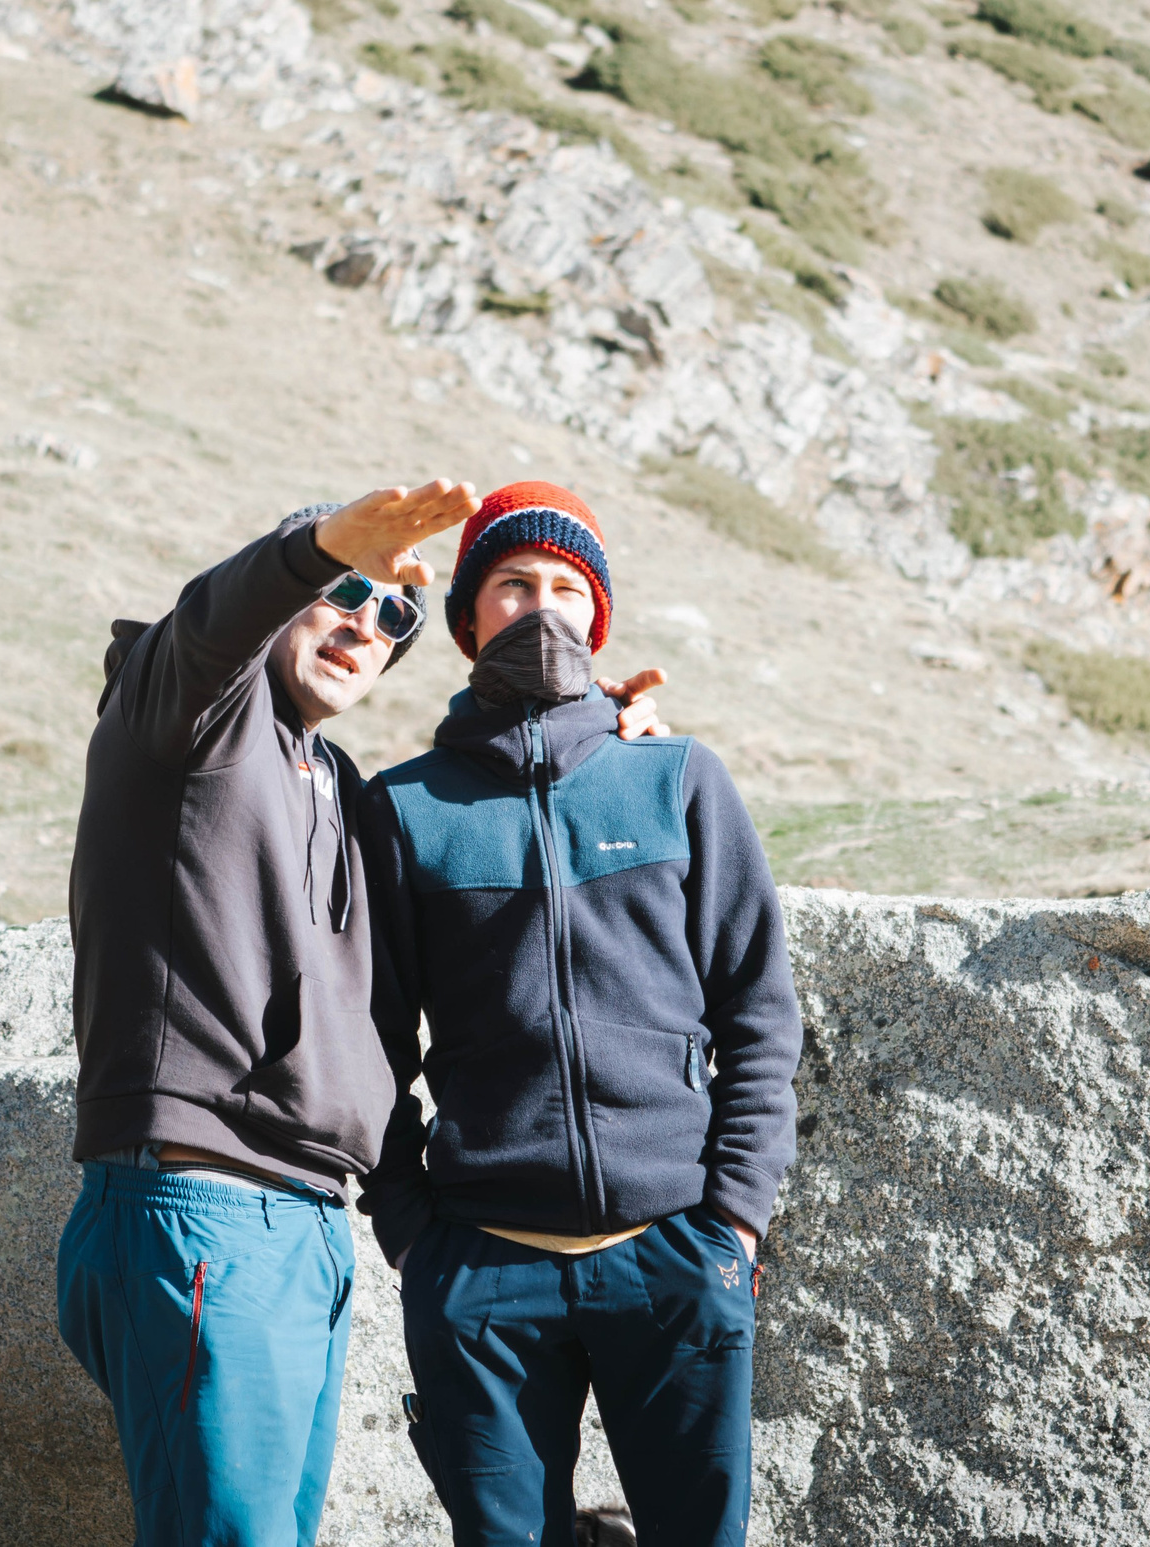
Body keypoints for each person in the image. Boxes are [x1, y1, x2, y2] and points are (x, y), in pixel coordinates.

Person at [56, 482, 665, 1547]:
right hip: (204, 1202)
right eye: (343, 592)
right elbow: (211, 628)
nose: (364, 624)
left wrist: (595, 730)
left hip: (304, 1220)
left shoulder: (329, 778)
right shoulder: (186, 712)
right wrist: (325, 544)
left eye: (393, 615)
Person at [357, 481, 802, 1547]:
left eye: (566, 588)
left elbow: (757, 1008)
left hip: (676, 1254)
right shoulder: (404, 808)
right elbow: (369, 1042)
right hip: (480, 1268)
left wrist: (733, 1220)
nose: (541, 608)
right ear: (467, 619)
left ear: (598, 618)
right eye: (513, 585)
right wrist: (416, 1236)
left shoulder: (677, 779)